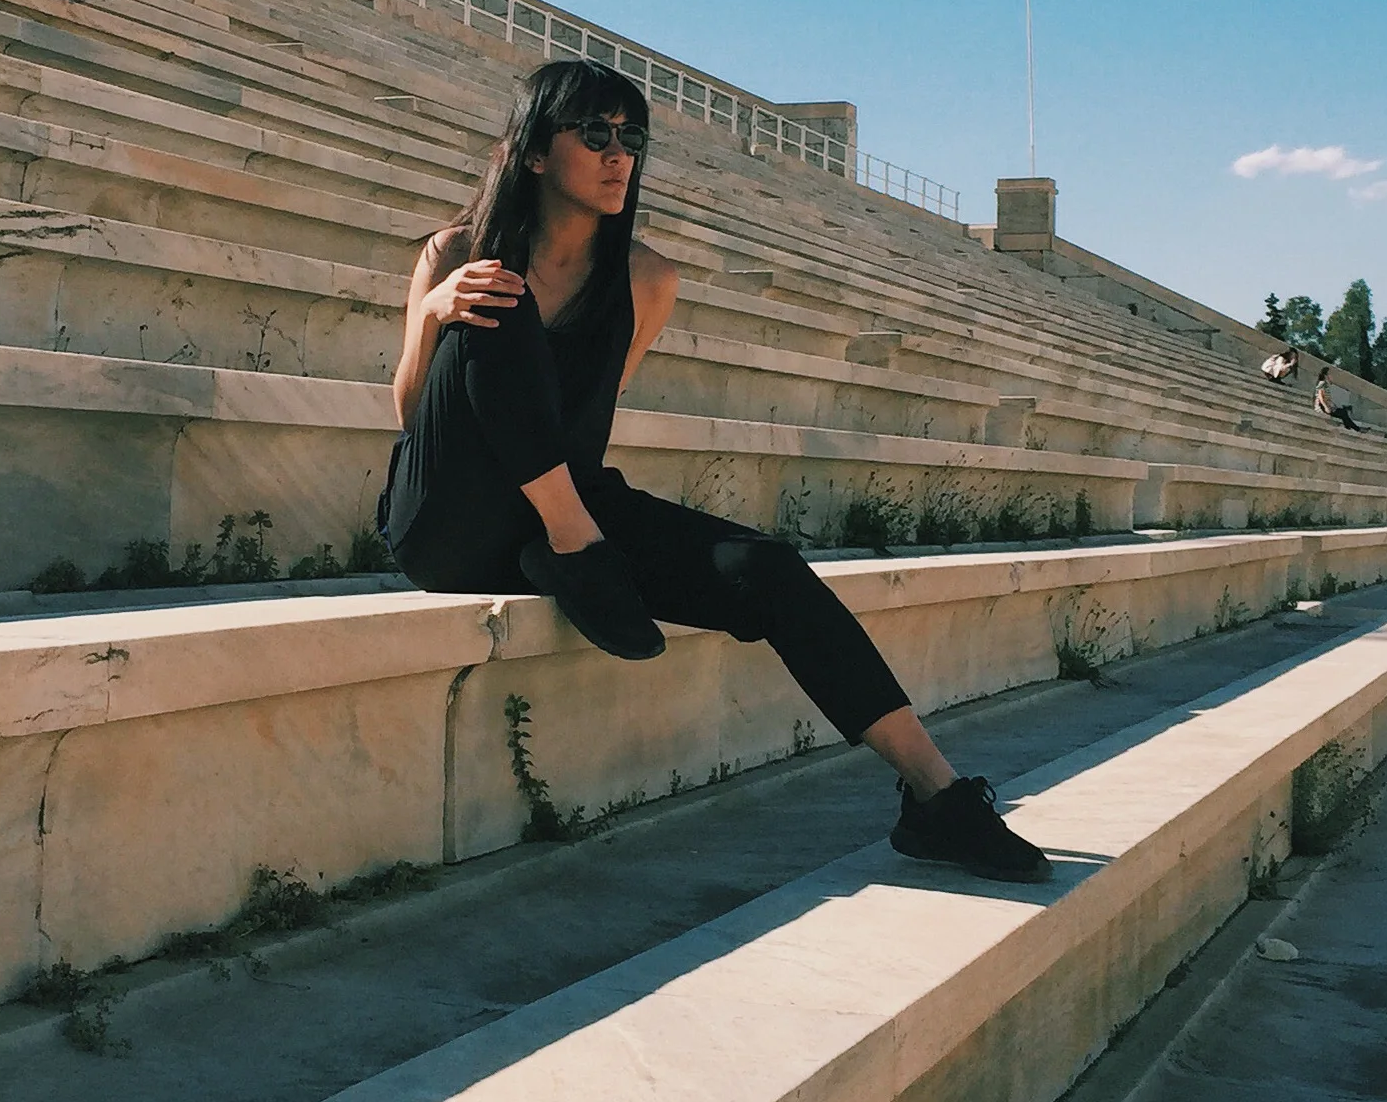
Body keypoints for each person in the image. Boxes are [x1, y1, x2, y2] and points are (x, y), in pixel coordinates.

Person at [377, 59, 1048, 883]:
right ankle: (576, 544)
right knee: (498, 299)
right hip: (447, 520)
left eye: (632, 137)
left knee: (765, 568)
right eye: (593, 134)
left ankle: (938, 796)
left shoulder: (647, 280)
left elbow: (577, 421)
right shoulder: (454, 251)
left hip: (562, 501)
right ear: (534, 153)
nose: (618, 153)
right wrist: (437, 313)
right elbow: (412, 415)